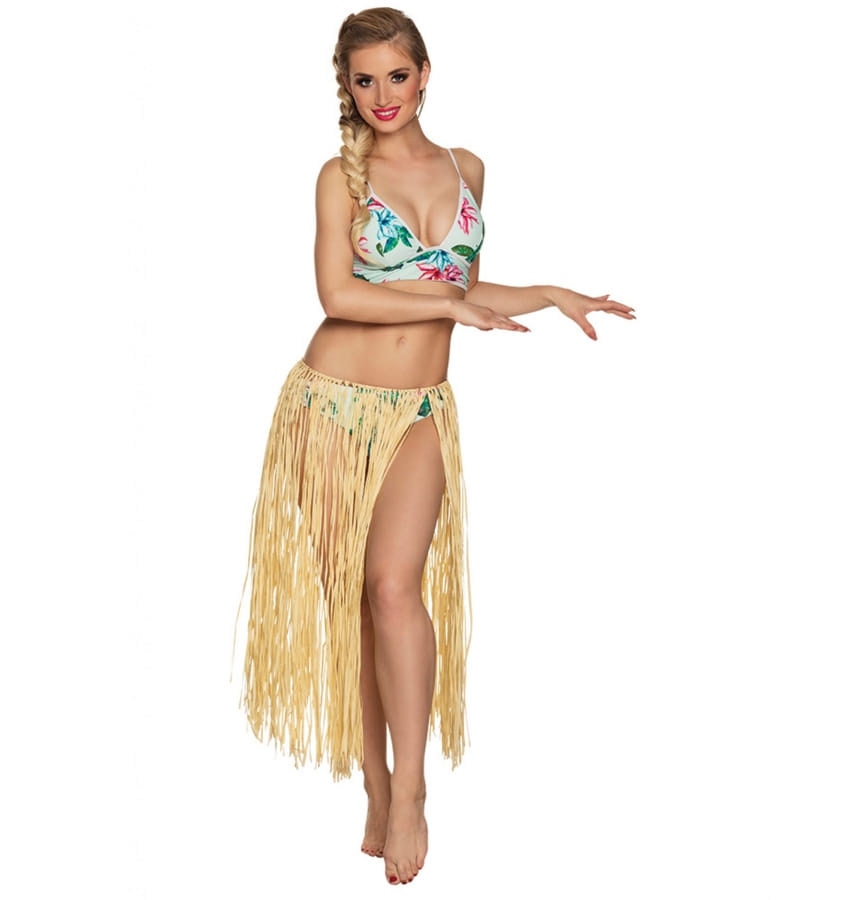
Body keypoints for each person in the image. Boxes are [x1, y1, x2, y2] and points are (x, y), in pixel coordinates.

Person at [234, 6, 635, 887]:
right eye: (364, 79)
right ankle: (375, 786)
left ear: (425, 73)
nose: (382, 94)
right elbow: (340, 295)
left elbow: (460, 284)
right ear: (346, 86)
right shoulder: (339, 177)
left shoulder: (468, 168)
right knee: (354, 603)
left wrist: (549, 292)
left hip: (418, 408)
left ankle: (411, 788)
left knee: (394, 589)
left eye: (397, 75)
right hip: (330, 404)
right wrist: (449, 304)